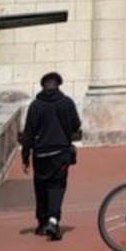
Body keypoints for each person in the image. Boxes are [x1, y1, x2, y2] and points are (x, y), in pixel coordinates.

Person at [20, 71, 82, 239]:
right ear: (58, 85)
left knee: (41, 187)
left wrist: (25, 157)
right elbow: (76, 125)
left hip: (40, 154)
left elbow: (28, 134)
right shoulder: (66, 103)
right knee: (57, 186)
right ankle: (53, 221)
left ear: (43, 86)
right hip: (61, 153)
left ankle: (42, 223)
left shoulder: (35, 106)